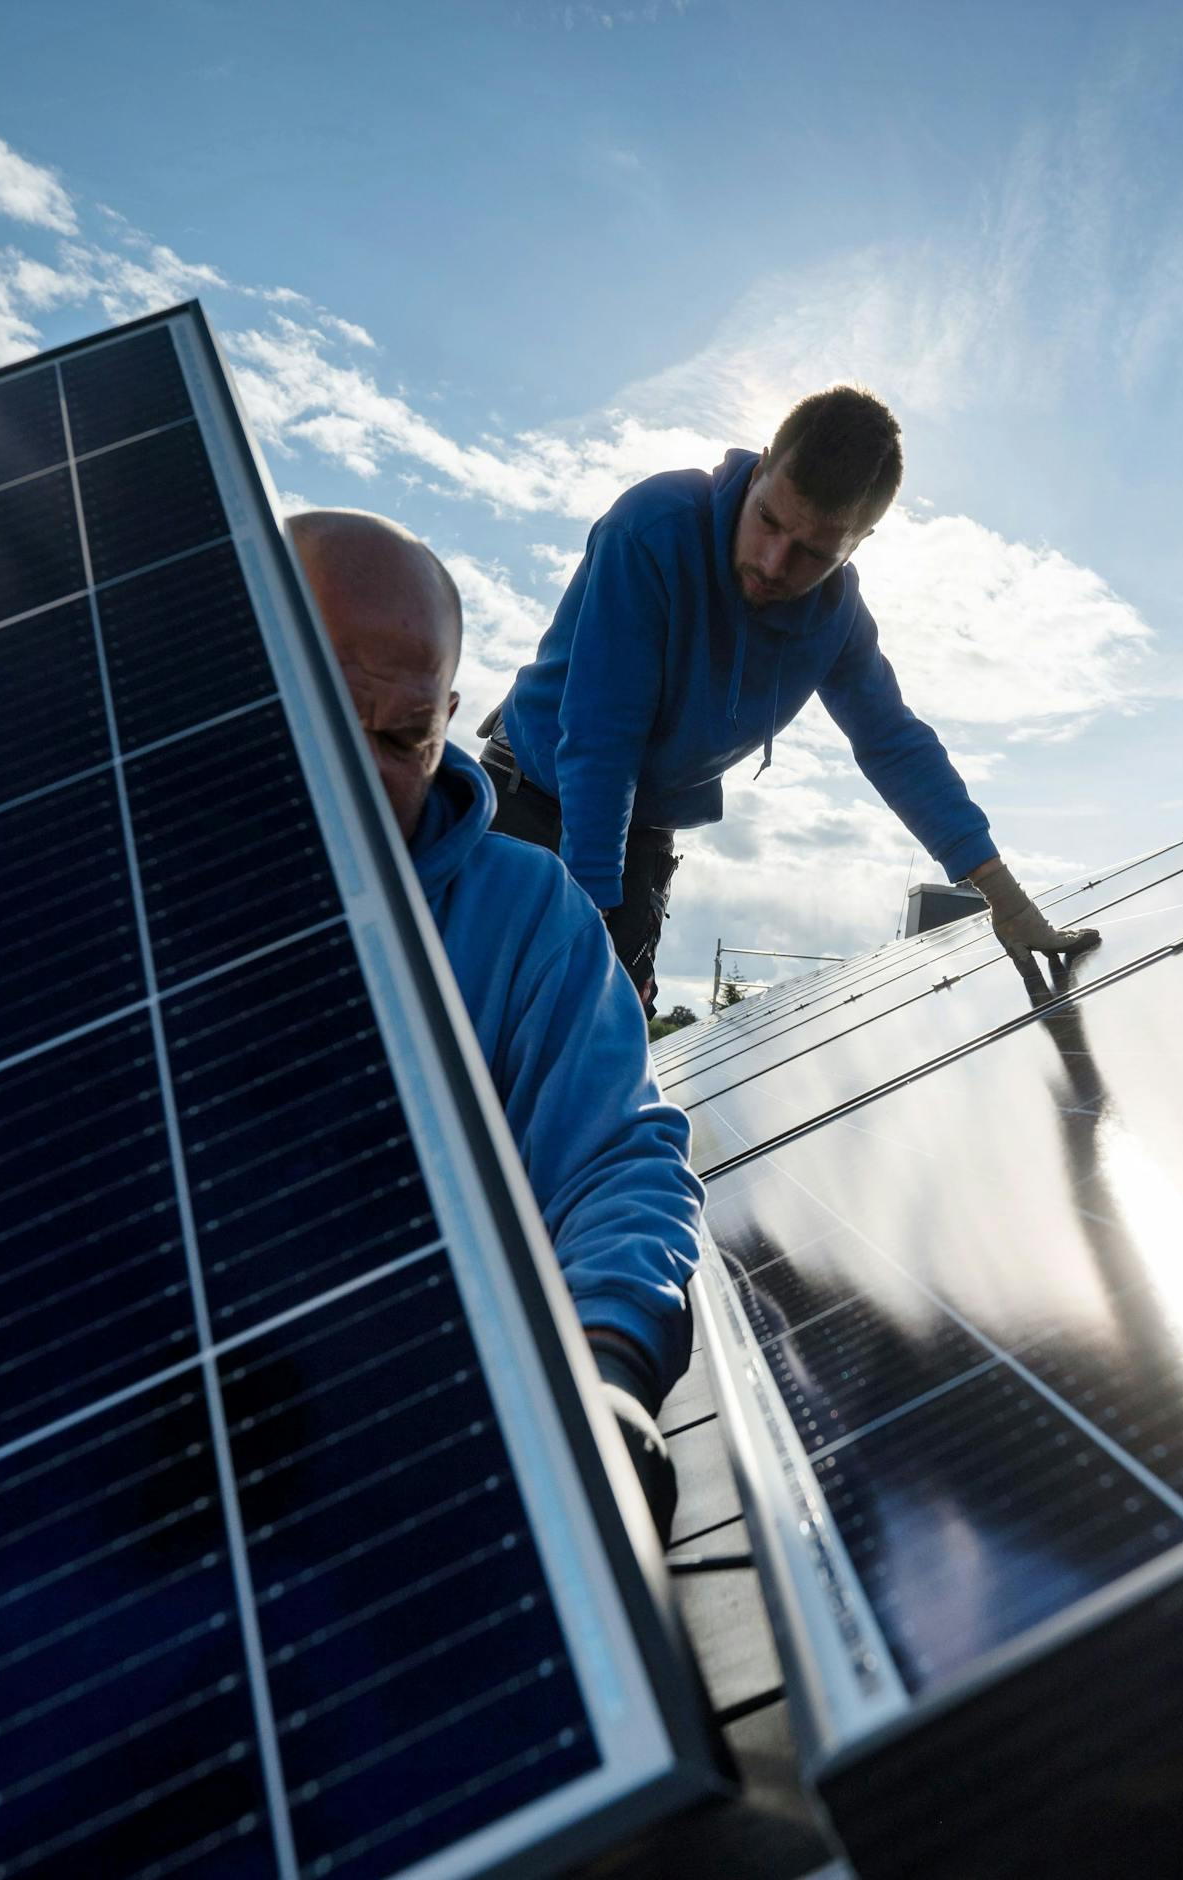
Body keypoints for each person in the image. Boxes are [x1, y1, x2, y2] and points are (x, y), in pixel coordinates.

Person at [286, 508, 702, 1539]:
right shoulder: (86, 887)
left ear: (450, 719)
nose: (361, 773)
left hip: (402, 1480)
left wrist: (604, 1371)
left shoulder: (526, 917)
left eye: (403, 737)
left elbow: (613, 1160)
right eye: (323, 713)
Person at [479, 384, 1098, 1010]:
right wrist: (590, 920)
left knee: (606, 1033)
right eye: (768, 520)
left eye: (812, 552)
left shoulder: (838, 617)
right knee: (502, 1013)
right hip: (531, 795)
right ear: (761, 469)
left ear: (858, 543)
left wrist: (1006, 900)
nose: (774, 564)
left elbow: (893, 742)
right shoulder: (652, 528)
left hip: (642, 825)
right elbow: (603, 734)